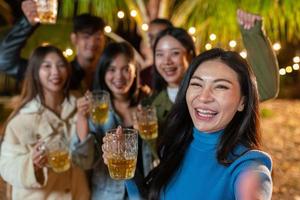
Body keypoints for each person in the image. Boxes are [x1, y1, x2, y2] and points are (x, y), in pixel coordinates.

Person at [105, 48, 273, 200]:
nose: (204, 97)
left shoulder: (248, 169)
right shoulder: (177, 143)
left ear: (242, 102)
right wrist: (126, 169)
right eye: (197, 84)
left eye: (221, 87)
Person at [0, 45, 90, 199]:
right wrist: (31, 164)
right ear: (35, 73)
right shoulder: (21, 120)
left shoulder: (79, 107)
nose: (55, 72)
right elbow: (6, 167)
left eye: (61, 65)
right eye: (47, 66)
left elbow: (87, 159)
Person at [71, 42, 151, 199]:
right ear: (102, 73)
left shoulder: (147, 104)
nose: (119, 76)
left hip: (145, 192)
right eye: (111, 69)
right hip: (108, 195)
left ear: (135, 71)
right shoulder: (97, 110)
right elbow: (84, 162)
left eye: (126, 69)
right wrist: (81, 118)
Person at [0, 0, 105, 94]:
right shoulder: (59, 75)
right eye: (86, 37)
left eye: (98, 37)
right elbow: (4, 60)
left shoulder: (110, 74)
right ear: (74, 38)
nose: (92, 43)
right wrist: (27, 23)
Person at [140, 18, 173, 88]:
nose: (154, 42)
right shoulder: (144, 75)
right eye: (151, 37)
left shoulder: (188, 73)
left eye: (159, 36)